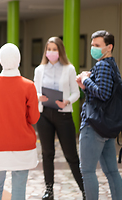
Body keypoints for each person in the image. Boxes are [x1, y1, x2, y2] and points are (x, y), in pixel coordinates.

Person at [0, 43, 39, 200]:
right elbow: (34, 118)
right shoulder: (29, 86)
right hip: (23, 145)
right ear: (19, 60)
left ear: (0, 61)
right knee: (19, 188)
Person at [34, 37, 84, 200]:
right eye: (49, 49)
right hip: (44, 115)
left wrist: (67, 101)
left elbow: (76, 93)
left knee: (71, 155)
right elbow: (34, 91)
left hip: (63, 114)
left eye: (55, 49)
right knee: (47, 154)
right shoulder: (39, 69)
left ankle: (85, 190)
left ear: (60, 51)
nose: (51, 52)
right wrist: (38, 97)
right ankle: (49, 191)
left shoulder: (69, 69)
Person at [76, 30, 122, 200]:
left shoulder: (102, 65)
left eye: (97, 45)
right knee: (111, 171)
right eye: (92, 45)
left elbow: (102, 94)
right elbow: (105, 94)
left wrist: (85, 77)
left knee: (87, 171)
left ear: (109, 47)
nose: (93, 49)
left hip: (94, 127)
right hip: (106, 127)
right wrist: (85, 86)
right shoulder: (112, 65)